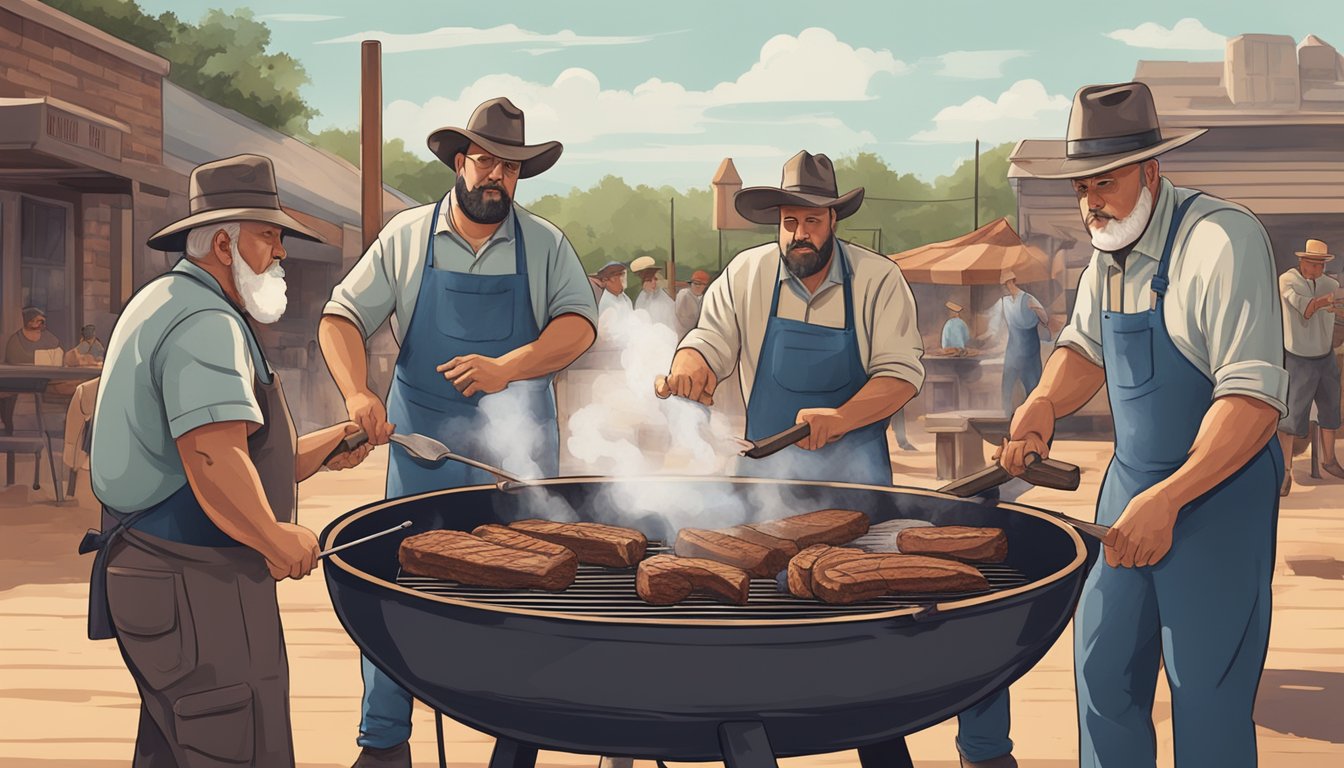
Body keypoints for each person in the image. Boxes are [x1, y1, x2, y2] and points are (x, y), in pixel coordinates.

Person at [999, 82, 1286, 768]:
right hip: (1131, 488)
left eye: (1105, 181)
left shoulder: (1222, 240)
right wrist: (1043, 403)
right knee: (1104, 676)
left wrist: (1171, 498)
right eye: (1081, 186)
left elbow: (1252, 399)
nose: (1090, 200)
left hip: (1218, 498)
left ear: (1151, 172)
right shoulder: (1109, 249)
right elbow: (1085, 347)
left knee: (1207, 692)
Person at [319, 97, 598, 768]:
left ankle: (519, 741)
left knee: (530, 597)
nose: (495, 176)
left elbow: (578, 327)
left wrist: (509, 367)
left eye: (509, 165)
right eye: (485, 160)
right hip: (423, 457)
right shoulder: (407, 238)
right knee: (397, 593)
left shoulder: (546, 244)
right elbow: (341, 319)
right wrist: (357, 392)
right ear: (458, 162)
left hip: (517, 459)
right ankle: (383, 742)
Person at [83, 154, 374, 767]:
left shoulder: (168, 298)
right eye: (269, 235)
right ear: (224, 241)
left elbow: (237, 456)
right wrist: (273, 537)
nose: (281, 252)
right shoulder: (206, 323)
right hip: (198, 585)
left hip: (162, 580)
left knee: (177, 752)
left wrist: (333, 442)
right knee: (242, 750)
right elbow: (212, 462)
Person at [1277, 238, 1344, 494]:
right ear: (1301, 261)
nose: (1315, 269)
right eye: (1311, 263)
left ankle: (1330, 460)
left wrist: (1337, 307)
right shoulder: (1288, 280)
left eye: (1320, 264)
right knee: (1291, 417)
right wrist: (1327, 301)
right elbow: (1306, 308)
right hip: (1298, 358)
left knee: (1330, 411)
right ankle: (1285, 471)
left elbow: (1335, 313)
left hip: (1324, 356)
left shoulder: (1331, 284)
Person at [982, 270, 1048, 415]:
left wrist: (1036, 310)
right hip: (1013, 352)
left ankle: (1034, 419)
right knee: (1007, 388)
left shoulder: (1029, 299)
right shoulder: (1003, 302)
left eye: (1004, 284)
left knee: (1033, 388)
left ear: (1011, 282)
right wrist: (982, 340)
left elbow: (1045, 320)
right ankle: (1007, 420)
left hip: (1030, 352)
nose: (1003, 287)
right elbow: (993, 328)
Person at [631, 255, 677, 330]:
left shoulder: (663, 298)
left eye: (655, 279)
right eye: (649, 280)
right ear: (643, 283)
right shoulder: (641, 297)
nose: (654, 283)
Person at [675, 269, 710, 337]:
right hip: (682, 333)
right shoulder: (684, 294)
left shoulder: (705, 297)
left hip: (697, 334)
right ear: (691, 283)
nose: (697, 286)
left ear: (705, 286)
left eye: (701, 284)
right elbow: (681, 316)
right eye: (695, 283)